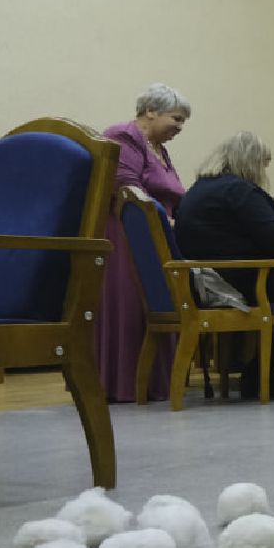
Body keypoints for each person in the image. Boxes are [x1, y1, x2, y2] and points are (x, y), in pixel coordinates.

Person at [176, 133, 274, 399]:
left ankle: (257, 377)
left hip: (212, 281)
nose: (263, 171)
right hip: (246, 281)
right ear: (250, 161)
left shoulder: (198, 189)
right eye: (262, 164)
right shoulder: (239, 190)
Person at [96, 84, 190, 402]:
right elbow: (128, 191)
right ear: (150, 111)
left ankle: (155, 383)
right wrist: (169, 221)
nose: (179, 128)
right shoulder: (123, 136)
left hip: (160, 236)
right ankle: (126, 384)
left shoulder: (159, 148)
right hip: (129, 236)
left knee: (158, 305)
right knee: (134, 307)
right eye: (176, 119)